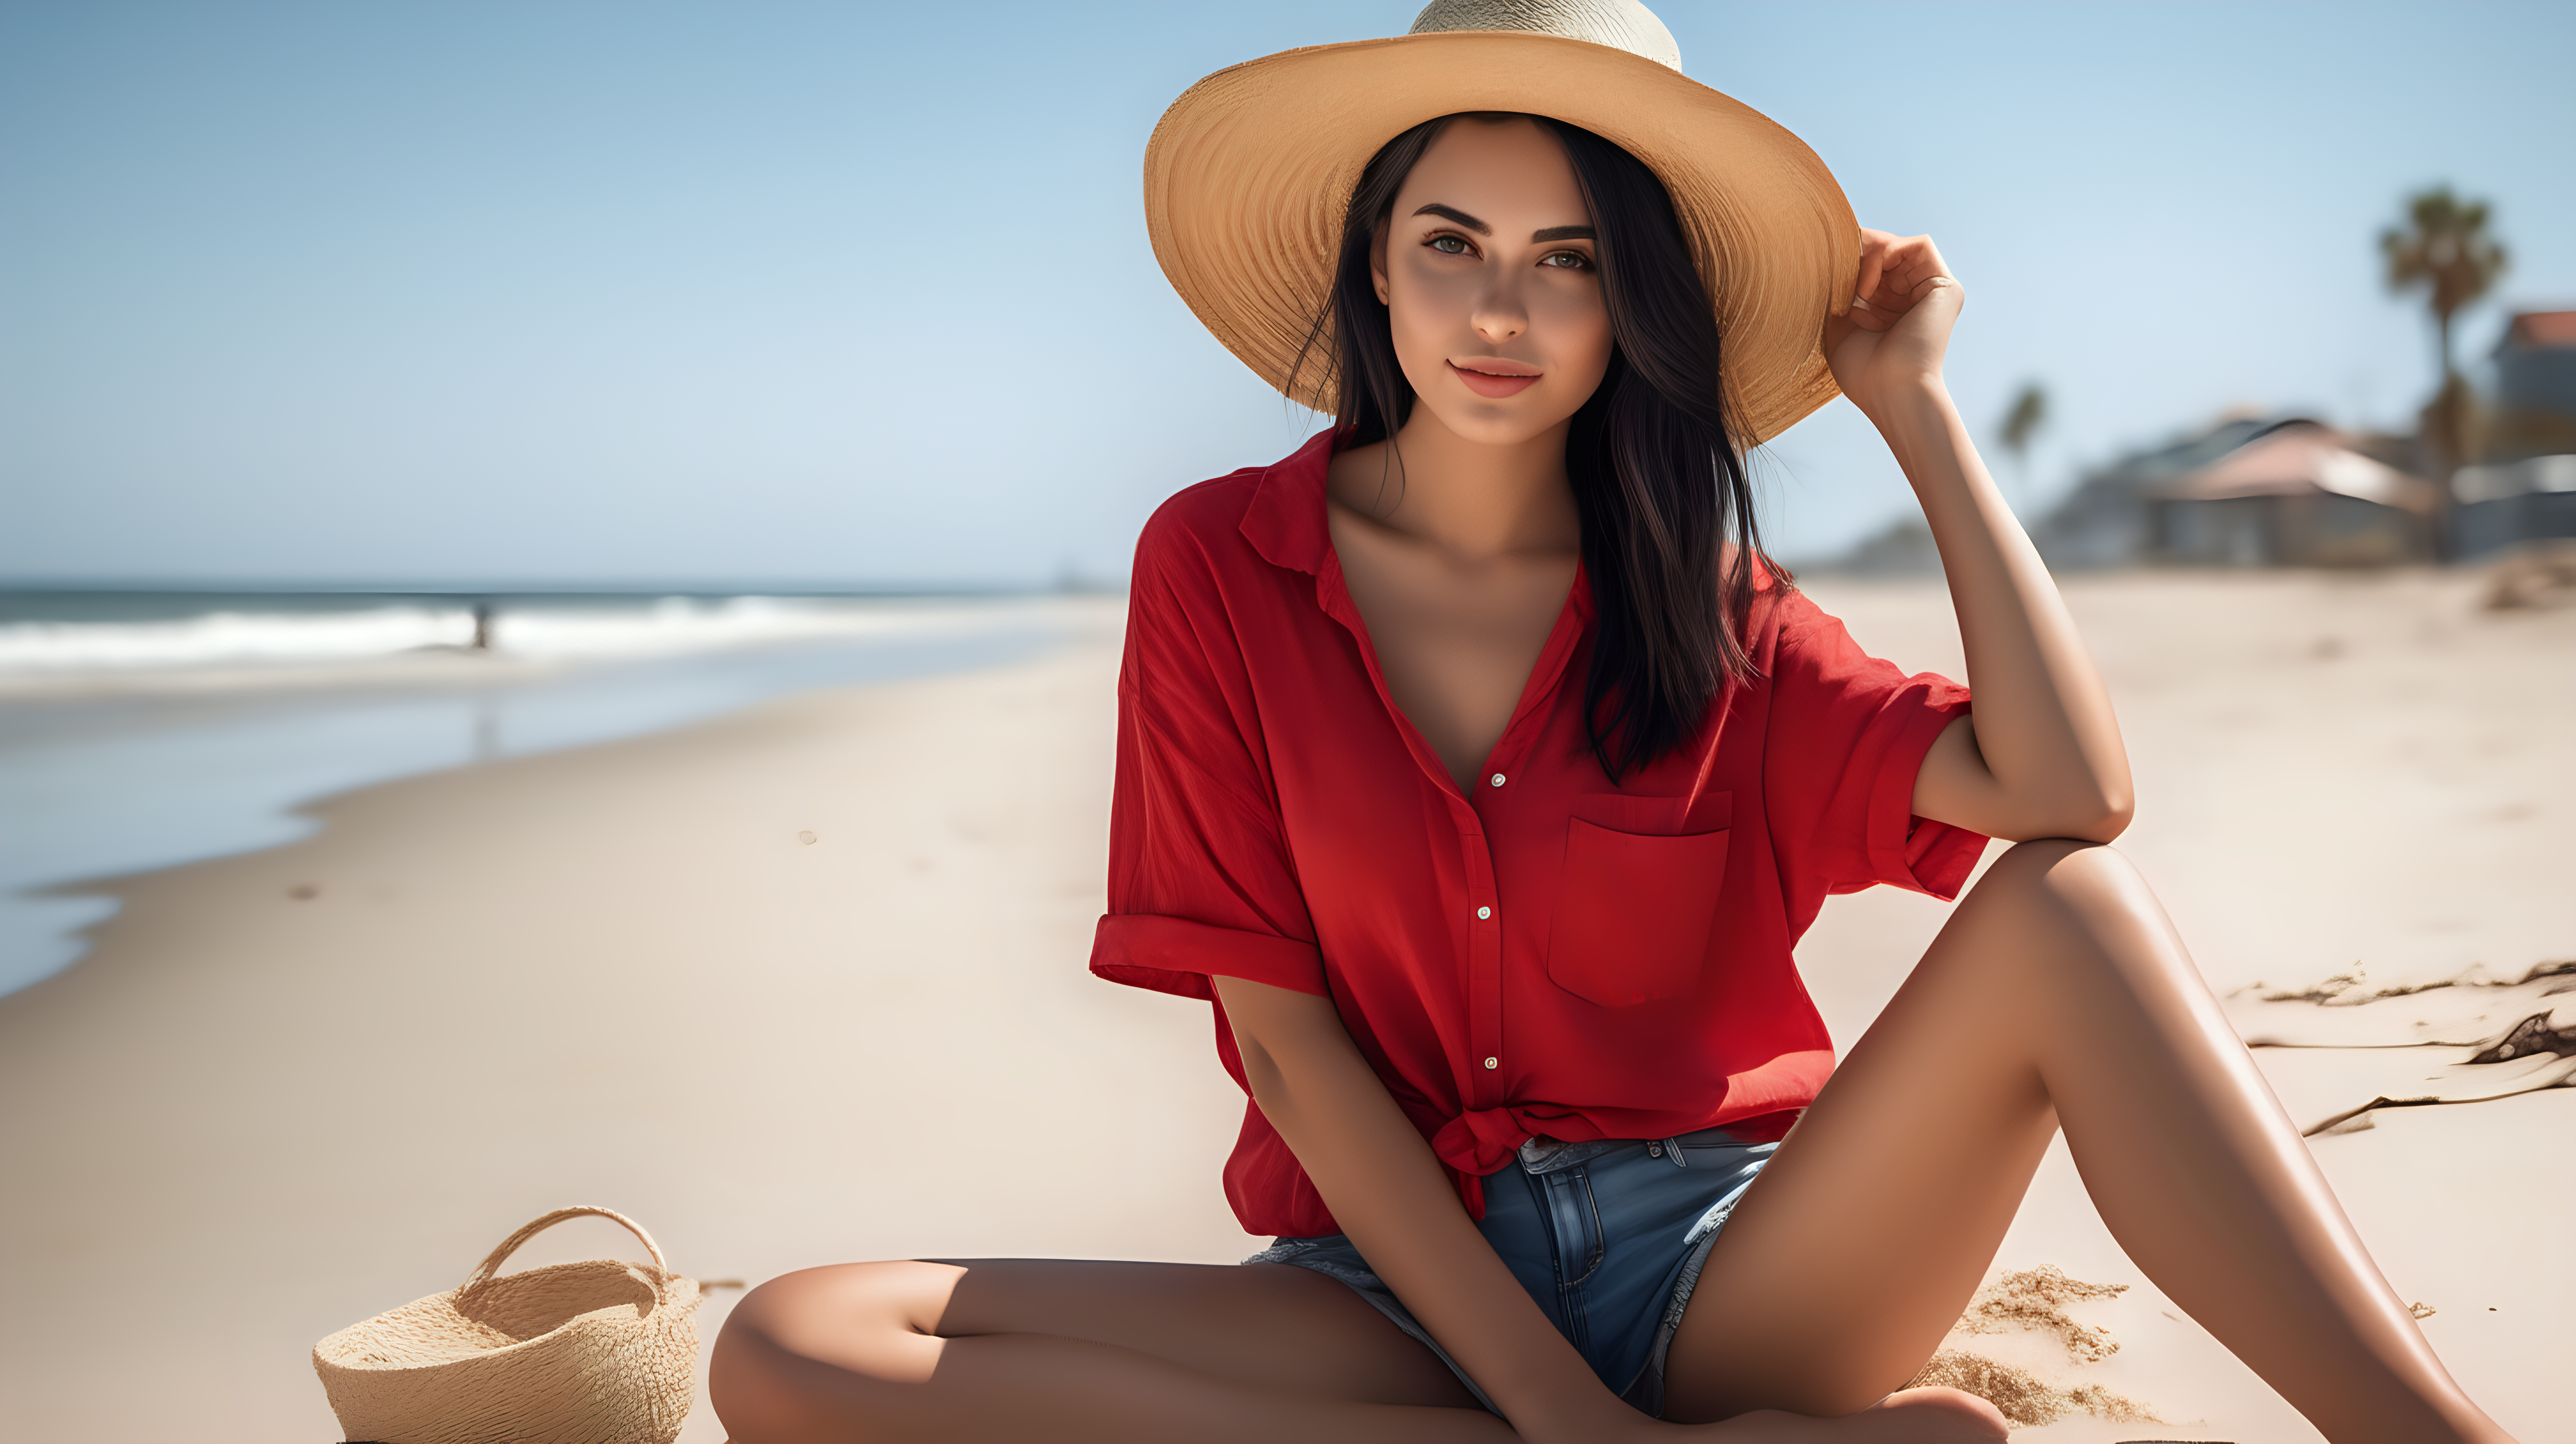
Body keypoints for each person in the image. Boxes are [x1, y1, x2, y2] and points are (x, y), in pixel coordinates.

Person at [709, 4, 2518, 1440]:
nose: (1501, 309)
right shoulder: (1219, 567)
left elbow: (2070, 796)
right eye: (1452, 243)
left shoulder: (1716, 618)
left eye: (1568, 260)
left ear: (1625, 309)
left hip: (1736, 1278)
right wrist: (1567, 1418)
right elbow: (1292, 1057)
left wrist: (1918, 418)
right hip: (1386, 1303)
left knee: (2071, 911)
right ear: (1375, 267)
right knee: (793, 1346)